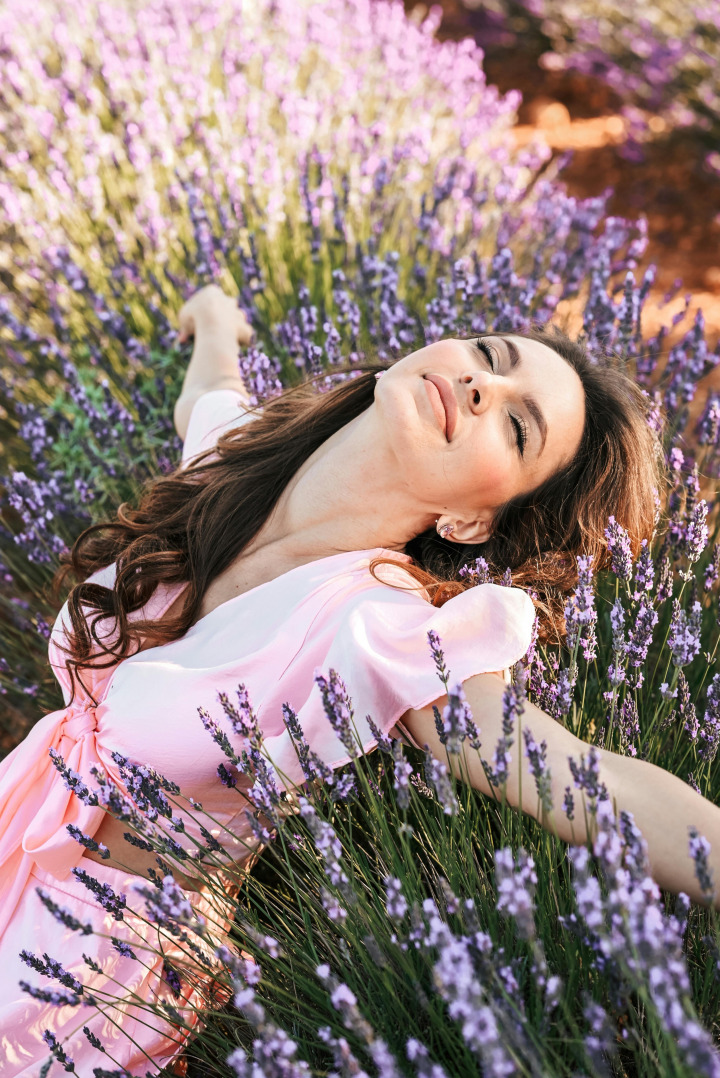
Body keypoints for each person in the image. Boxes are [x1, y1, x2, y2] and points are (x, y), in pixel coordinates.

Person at [1, 282, 718, 1076]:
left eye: (517, 427)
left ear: (471, 522)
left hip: (79, 971)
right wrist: (212, 316)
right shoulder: (238, 464)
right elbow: (207, 393)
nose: (482, 385)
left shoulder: (380, 629)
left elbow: (579, 774)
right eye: (489, 355)